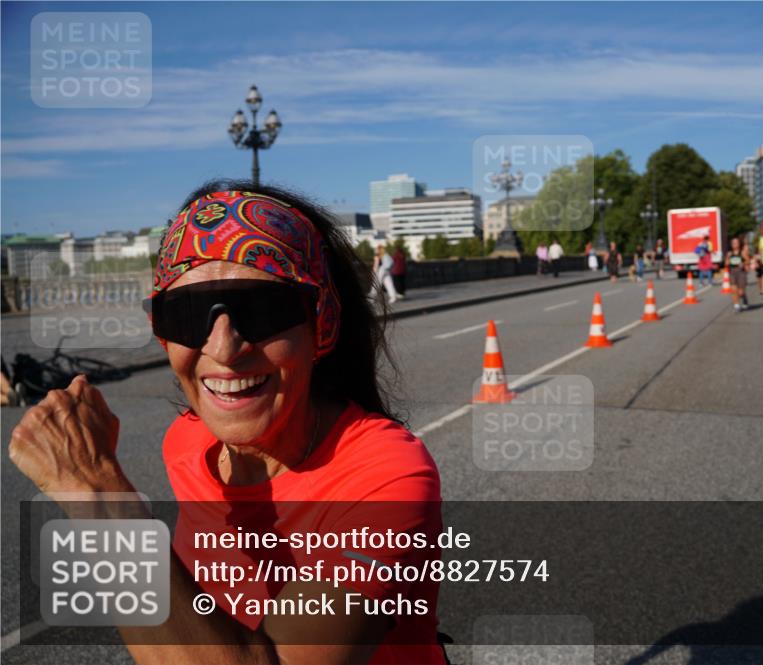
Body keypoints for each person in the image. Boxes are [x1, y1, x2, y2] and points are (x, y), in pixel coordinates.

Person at [8, 182, 448, 664]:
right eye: (188, 314)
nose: (222, 349)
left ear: (321, 323)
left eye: (260, 310)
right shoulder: (188, 440)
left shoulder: (387, 476)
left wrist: (95, 493)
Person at [723, 236, 751, 312]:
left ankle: (744, 298)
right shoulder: (729, 253)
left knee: (741, 292)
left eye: (736, 243)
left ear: (739, 244)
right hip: (732, 272)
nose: (734, 244)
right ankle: (736, 305)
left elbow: (748, 261)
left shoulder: (742, 252)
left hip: (741, 272)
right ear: (731, 244)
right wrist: (727, 260)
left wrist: (743, 263)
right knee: (733, 290)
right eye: (733, 243)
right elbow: (726, 263)